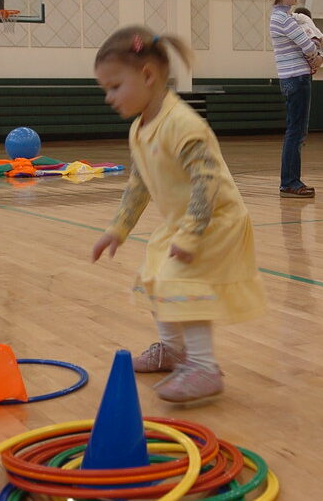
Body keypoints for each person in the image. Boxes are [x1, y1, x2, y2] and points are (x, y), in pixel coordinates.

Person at [91, 26, 267, 404]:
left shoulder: (183, 124)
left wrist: (189, 237)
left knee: (180, 280)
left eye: (115, 86)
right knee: (154, 275)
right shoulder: (140, 129)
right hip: (181, 221)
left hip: (215, 220)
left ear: (148, 76)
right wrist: (117, 229)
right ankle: (173, 351)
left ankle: (203, 367)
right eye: (105, 89)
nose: (109, 97)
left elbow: (207, 185)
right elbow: (139, 184)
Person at [267, 0, 319, 198]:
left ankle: (290, 181)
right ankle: (290, 182)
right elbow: (307, 45)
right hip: (297, 79)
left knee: (295, 132)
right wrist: (316, 57)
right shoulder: (284, 19)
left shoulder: (281, 18)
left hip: (292, 79)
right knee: (296, 133)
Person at [291, 6, 323, 74]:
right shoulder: (313, 27)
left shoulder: (299, 25)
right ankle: (312, 67)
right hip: (315, 43)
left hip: (299, 71)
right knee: (312, 56)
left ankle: (312, 67)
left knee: (310, 56)